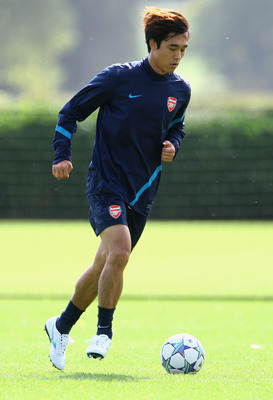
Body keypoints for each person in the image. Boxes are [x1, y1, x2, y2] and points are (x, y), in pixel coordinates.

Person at [45, 6, 191, 370]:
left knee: (104, 266)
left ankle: (60, 326)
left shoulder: (181, 90)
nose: (178, 55)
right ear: (152, 44)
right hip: (106, 182)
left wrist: (174, 143)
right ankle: (104, 332)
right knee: (121, 252)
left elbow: (177, 127)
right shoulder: (118, 78)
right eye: (172, 47)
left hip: (143, 190)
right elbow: (70, 112)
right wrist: (61, 154)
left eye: (184, 49)